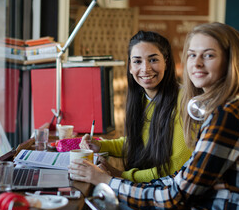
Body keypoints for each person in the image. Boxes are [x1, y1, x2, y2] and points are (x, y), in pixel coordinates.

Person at [69, 22, 239, 210]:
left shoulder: (226, 114)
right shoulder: (224, 107)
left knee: (96, 207)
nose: (197, 63)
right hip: (204, 205)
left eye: (209, 55)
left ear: (230, 61)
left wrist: (110, 180)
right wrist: (112, 174)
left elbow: (176, 196)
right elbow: (182, 178)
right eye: (192, 55)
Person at [79, 30, 192, 183]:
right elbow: (139, 143)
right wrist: (100, 145)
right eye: (137, 61)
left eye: (153, 60)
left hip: (167, 189)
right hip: (148, 187)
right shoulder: (141, 98)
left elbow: (177, 166)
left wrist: (119, 175)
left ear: (166, 62)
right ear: (130, 67)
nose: (145, 68)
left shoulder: (185, 100)